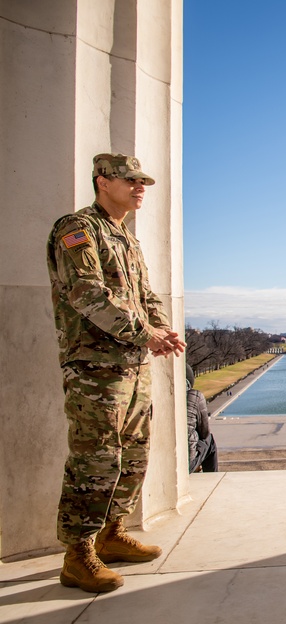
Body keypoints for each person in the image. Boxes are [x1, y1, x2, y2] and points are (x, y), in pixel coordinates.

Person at [46, 153, 186, 593]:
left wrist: (161, 328)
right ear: (102, 181)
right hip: (94, 366)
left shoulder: (126, 237)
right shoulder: (77, 228)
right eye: (130, 180)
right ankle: (78, 553)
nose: (140, 187)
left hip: (130, 362)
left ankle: (111, 533)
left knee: (134, 452)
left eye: (143, 181)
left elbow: (144, 293)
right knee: (95, 457)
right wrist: (145, 334)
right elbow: (87, 293)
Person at [186, 365, 217, 473]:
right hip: (186, 463)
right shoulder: (194, 396)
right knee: (209, 440)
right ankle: (212, 475)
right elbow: (204, 433)